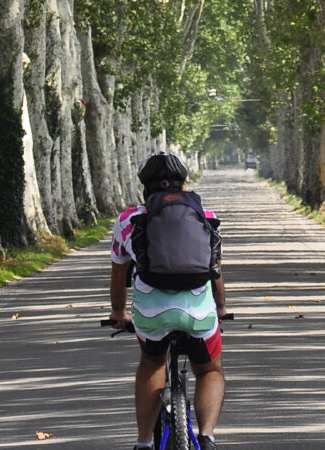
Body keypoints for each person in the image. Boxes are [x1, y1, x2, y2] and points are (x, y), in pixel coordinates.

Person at [109, 152, 227, 450]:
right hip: (199, 312)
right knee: (210, 371)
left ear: (145, 187)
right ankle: (208, 437)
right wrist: (222, 307)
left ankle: (144, 443)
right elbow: (215, 272)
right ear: (183, 185)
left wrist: (118, 312)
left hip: (152, 312)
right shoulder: (206, 217)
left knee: (151, 363)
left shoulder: (127, 220)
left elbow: (118, 274)